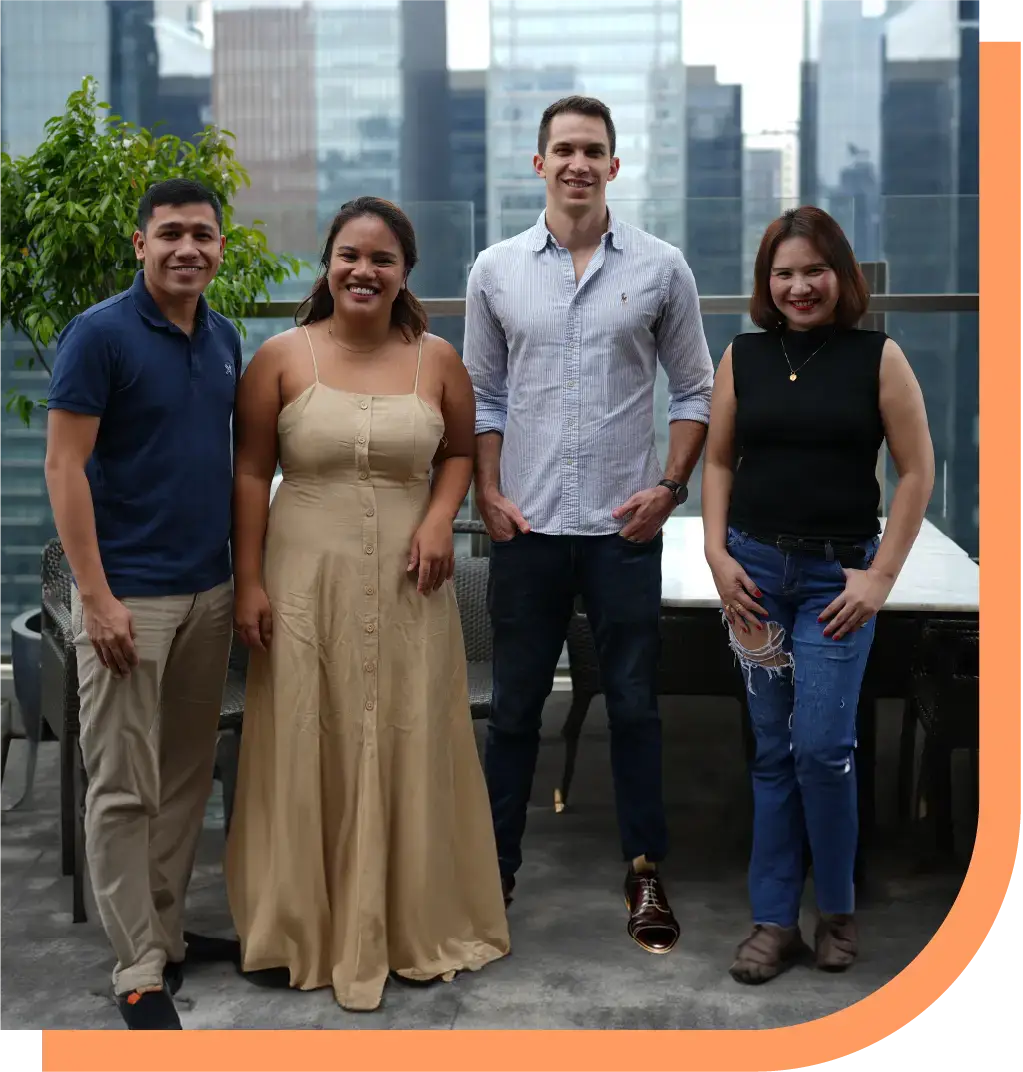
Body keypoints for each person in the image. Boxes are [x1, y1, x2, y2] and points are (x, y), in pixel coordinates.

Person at [224, 196, 510, 1013]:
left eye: (381, 259)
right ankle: (303, 925)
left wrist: (435, 521)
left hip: (408, 580)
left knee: (406, 731)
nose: (363, 270)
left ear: (404, 275)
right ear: (326, 264)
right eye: (350, 255)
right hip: (302, 577)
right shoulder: (279, 356)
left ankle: (411, 918)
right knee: (308, 732)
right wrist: (249, 581)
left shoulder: (437, 360)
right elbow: (249, 473)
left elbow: (459, 452)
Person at [463, 96, 715, 954]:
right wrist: (488, 496)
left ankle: (644, 873)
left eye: (593, 151)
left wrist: (670, 486)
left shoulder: (659, 268)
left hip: (622, 529)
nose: (577, 163)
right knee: (514, 711)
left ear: (615, 166)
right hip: (525, 526)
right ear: (538, 165)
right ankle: (493, 873)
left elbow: (694, 390)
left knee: (636, 707)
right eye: (563, 149)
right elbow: (482, 396)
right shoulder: (495, 270)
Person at [701, 206, 935, 984]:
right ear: (766, 283)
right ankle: (774, 925)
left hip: (837, 582)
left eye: (812, 270)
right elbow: (720, 465)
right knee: (770, 753)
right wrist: (714, 552)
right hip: (755, 577)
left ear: (840, 275)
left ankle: (834, 911)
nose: (798, 286)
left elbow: (916, 471)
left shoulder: (877, 356)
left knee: (823, 751)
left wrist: (880, 578)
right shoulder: (743, 354)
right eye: (782, 273)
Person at [44, 178, 243, 1029]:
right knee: (123, 789)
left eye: (202, 234)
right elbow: (63, 467)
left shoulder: (226, 337)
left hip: (208, 593)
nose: (186, 249)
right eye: (170, 234)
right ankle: (135, 968)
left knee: (184, 782)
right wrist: (96, 599)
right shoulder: (99, 336)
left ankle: (164, 933)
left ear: (221, 248)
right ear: (139, 244)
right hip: (129, 600)